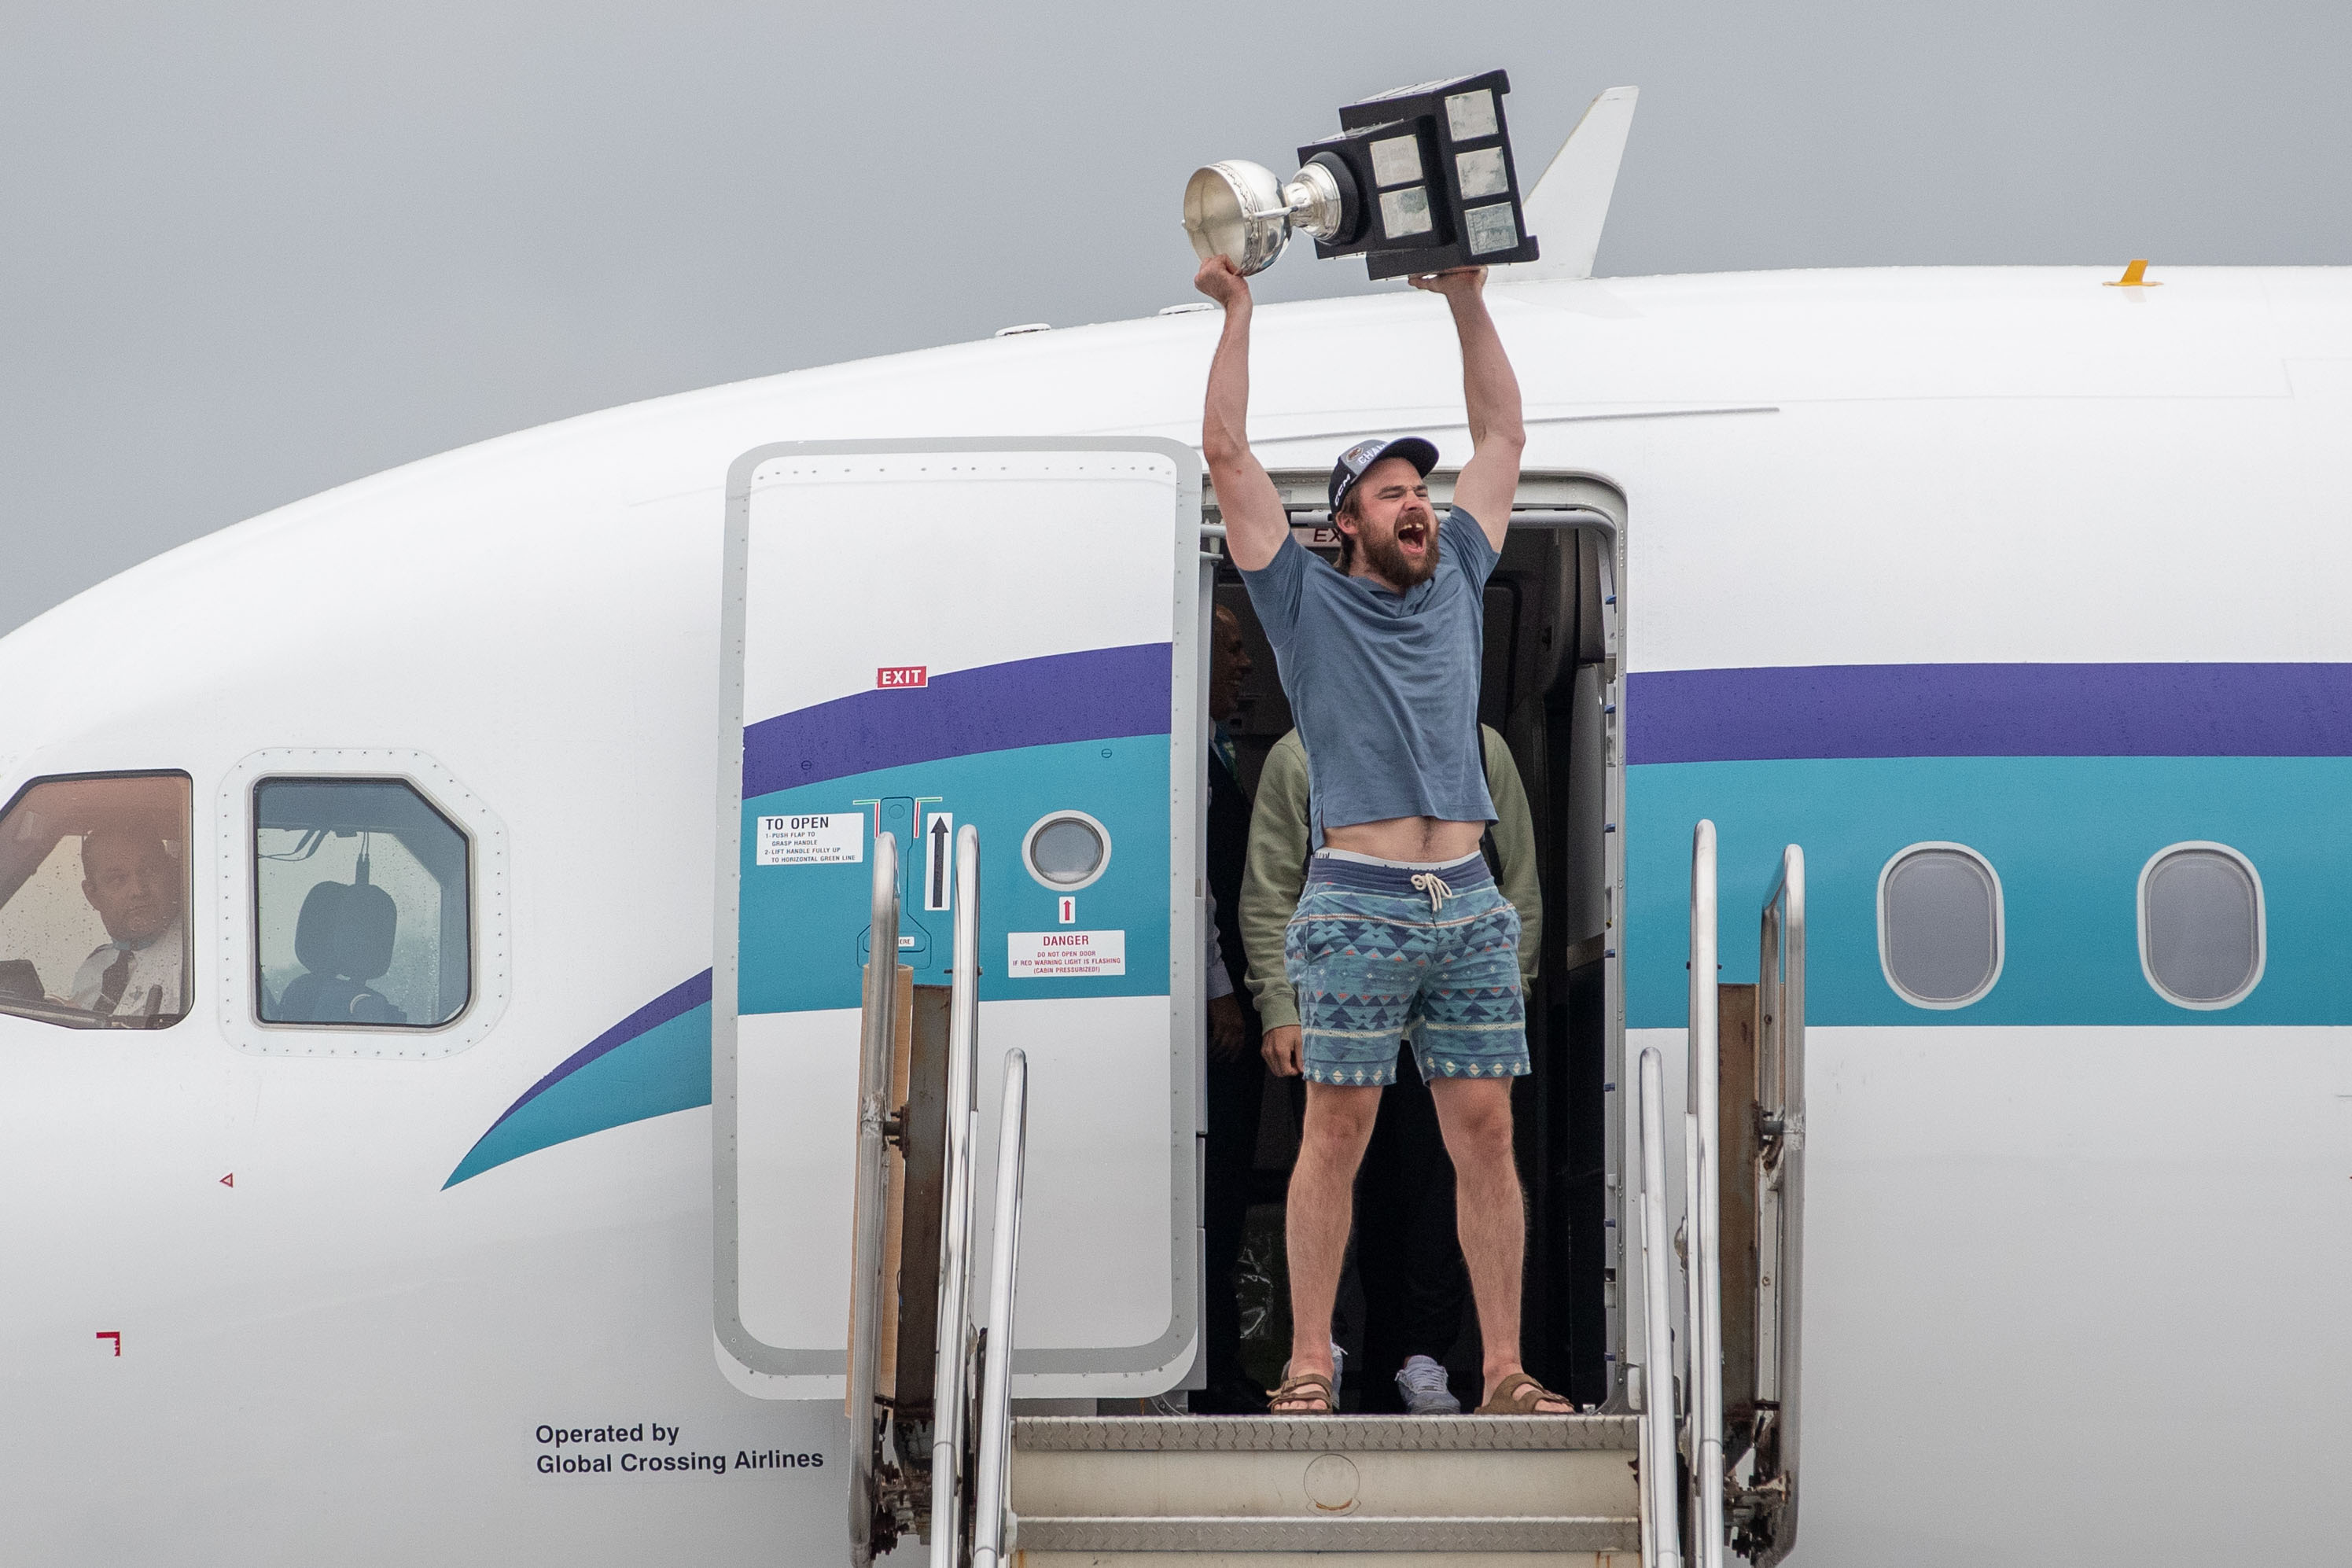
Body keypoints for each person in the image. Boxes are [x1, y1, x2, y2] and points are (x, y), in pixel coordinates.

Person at [1194, 249, 1568, 1415]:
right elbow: (1226, 456)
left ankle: (1500, 1367)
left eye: (1421, 486)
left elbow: (1501, 437)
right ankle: (1309, 1360)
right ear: (1343, 522)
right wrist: (1237, 312)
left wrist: (1464, 299)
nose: (1418, 501)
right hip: (1353, 895)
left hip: (1461, 897)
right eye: (1392, 492)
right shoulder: (1302, 602)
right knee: (1335, 1133)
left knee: (1484, 1133)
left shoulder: (1459, 569)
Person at [1240, 721, 1541, 1414]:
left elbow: (1516, 881)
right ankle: (1325, 1353)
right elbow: (1270, 889)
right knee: (1338, 1162)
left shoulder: (1479, 745)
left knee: (1440, 1188)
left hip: (1456, 997)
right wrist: (1279, 1005)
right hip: (1338, 992)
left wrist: (1507, 988)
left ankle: (1426, 1356)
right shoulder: (1300, 751)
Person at [1197, 603, 1270, 1413]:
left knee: (1230, 1188)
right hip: (1221, 1014)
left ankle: (1222, 1362)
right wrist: (1223, 990)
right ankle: (1213, 1371)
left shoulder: (1216, 753)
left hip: (1238, 1006)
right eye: (1231, 648)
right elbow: (1198, 889)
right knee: (1215, 1192)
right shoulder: (1188, 761)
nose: (1244, 663)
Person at [68, 825, 186, 1021]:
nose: (138, 890)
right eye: (117, 879)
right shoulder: (94, 968)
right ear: (92, 895)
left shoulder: (193, 960)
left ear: (170, 872)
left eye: (149, 871)